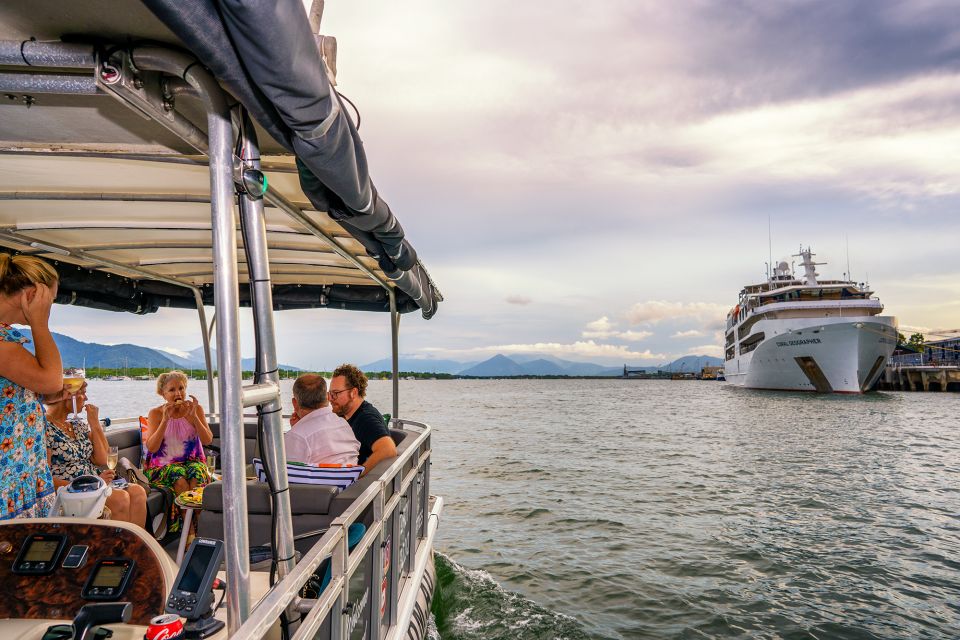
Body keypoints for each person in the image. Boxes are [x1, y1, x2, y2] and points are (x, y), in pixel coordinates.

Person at [0, 252, 63, 519]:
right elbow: (51, 380)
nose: (50, 307)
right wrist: (40, 322)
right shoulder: (1, 342)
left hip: (18, 473)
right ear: (32, 294)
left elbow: (42, 387)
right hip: (8, 478)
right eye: (49, 300)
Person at [44, 382, 148, 526]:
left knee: (138, 492)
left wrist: (94, 423)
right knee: (121, 498)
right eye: (83, 393)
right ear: (68, 396)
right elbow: (45, 478)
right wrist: (89, 484)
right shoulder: (45, 427)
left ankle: (136, 548)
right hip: (71, 491)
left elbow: (101, 459)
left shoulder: (77, 425)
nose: (86, 398)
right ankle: (116, 547)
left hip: (95, 483)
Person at [145, 371, 213, 495]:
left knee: (196, 476)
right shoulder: (156, 413)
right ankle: (185, 514)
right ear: (163, 394)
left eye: (181, 388)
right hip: (163, 466)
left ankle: (196, 514)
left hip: (193, 462)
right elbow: (152, 448)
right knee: (179, 478)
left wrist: (195, 417)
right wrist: (165, 420)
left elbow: (207, 440)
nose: (178, 393)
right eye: (172, 390)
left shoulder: (196, 409)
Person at [328, 364, 396, 476]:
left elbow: (388, 449)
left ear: (353, 393)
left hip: (361, 489)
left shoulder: (365, 418)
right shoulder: (346, 415)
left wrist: (357, 476)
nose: (330, 399)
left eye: (335, 393)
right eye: (329, 394)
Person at [285, 374, 359, 467]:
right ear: (328, 397)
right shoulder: (343, 424)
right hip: (351, 479)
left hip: (320, 481)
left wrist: (296, 431)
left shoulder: (296, 436)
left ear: (295, 403)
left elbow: (288, 474)